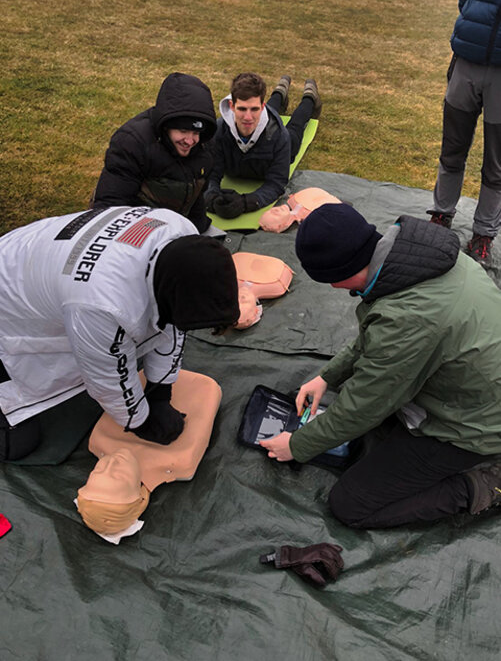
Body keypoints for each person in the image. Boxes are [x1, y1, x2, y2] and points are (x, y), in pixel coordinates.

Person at [260, 203, 501, 529]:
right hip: (469, 389)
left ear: (335, 277)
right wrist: (327, 376)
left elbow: (364, 407)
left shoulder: (408, 317)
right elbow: (379, 339)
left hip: (475, 428)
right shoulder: (420, 259)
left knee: (351, 504)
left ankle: (485, 483)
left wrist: (297, 446)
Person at [0, 206, 239, 461]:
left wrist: (160, 392)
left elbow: (171, 323)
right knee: (18, 443)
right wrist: (140, 421)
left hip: (36, 259)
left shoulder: (182, 236)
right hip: (9, 294)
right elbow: (106, 375)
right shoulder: (100, 301)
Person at [77, 369, 223, 537]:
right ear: (139, 496)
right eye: (118, 475)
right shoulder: (178, 460)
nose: (111, 462)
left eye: (98, 470)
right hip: (192, 381)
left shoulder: (101, 439)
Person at [428, 0, 501, 266]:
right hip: (468, 55)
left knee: (497, 165)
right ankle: (441, 216)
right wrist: (471, 15)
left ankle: (483, 234)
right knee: (452, 148)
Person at [90, 72, 217, 233]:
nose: (190, 141)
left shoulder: (205, 146)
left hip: (173, 226)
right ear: (166, 125)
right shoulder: (132, 142)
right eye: (183, 130)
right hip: (131, 230)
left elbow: (196, 196)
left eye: (196, 133)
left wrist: (198, 231)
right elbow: (110, 206)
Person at [204, 72, 322, 219]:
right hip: (262, 122)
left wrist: (247, 203)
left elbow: (276, 183)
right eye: (242, 109)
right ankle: (280, 92)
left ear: (262, 107)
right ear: (232, 106)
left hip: (278, 134)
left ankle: (309, 97)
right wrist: (212, 198)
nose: (247, 117)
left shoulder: (280, 136)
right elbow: (211, 174)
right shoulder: (219, 130)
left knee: (296, 126)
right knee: (258, 116)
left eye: (254, 109)